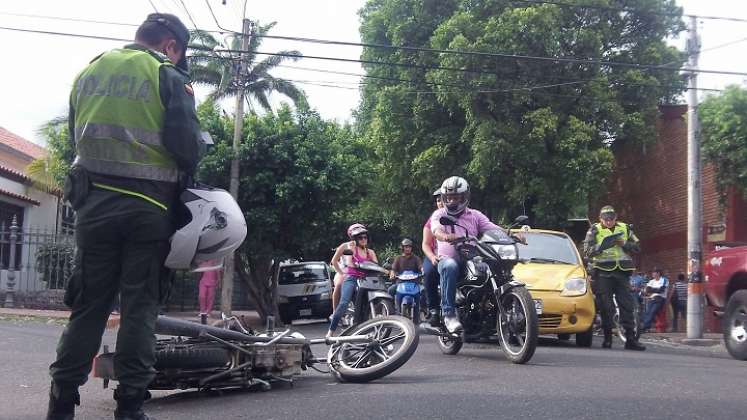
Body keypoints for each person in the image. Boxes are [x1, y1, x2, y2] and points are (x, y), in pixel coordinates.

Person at [47, 13, 204, 420]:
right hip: (148, 212)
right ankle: (130, 405)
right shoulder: (168, 76)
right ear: (171, 46)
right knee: (139, 308)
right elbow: (186, 148)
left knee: (89, 306)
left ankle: (61, 400)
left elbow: (74, 136)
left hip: (93, 209)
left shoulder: (90, 70)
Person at [430, 176, 505, 334]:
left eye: (456, 197)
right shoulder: (439, 214)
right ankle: (448, 314)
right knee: (450, 266)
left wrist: (510, 234)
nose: (452, 201)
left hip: (472, 257)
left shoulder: (475, 215)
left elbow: (491, 228)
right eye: (449, 197)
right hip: (448, 259)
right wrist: (446, 236)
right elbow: (436, 230)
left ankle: (488, 309)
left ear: (464, 197)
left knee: (490, 268)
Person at [584, 205, 646, 351]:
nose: (609, 222)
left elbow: (637, 247)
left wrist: (624, 244)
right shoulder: (594, 230)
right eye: (606, 220)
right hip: (603, 273)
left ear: (615, 217)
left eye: (611, 219)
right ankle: (607, 339)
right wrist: (601, 247)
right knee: (606, 307)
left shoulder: (625, 228)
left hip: (622, 272)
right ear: (600, 219)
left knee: (626, 305)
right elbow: (586, 251)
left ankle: (630, 339)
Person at [328, 224, 379, 337]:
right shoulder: (347, 246)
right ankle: (334, 315)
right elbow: (336, 261)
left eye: (365, 237)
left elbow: (375, 264)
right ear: (353, 236)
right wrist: (341, 273)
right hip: (346, 273)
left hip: (363, 278)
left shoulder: (369, 251)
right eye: (360, 237)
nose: (363, 239)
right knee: (341, 288)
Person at [422, 189, 444, 324]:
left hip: (459, 255)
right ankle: (434, 310)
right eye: (438, 200)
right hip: (436, 256)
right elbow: (425, 244)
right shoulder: (432, 219)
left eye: (443, 199)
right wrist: (431, 257)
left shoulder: (463, 215)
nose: (440, 203)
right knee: (429, 272)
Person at [642, 268, 669, 332]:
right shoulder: (651, 281)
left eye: (654, 273)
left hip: (660, 299)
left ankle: (645, 327)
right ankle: (647, 326)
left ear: (658, 273)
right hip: (651, 298)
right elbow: (647, 290)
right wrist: (656, 289)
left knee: (652, 312)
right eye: (652, 273)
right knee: (647, 312)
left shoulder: (664, 280)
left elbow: (661, 290)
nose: (652, 274)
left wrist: (653, 290)